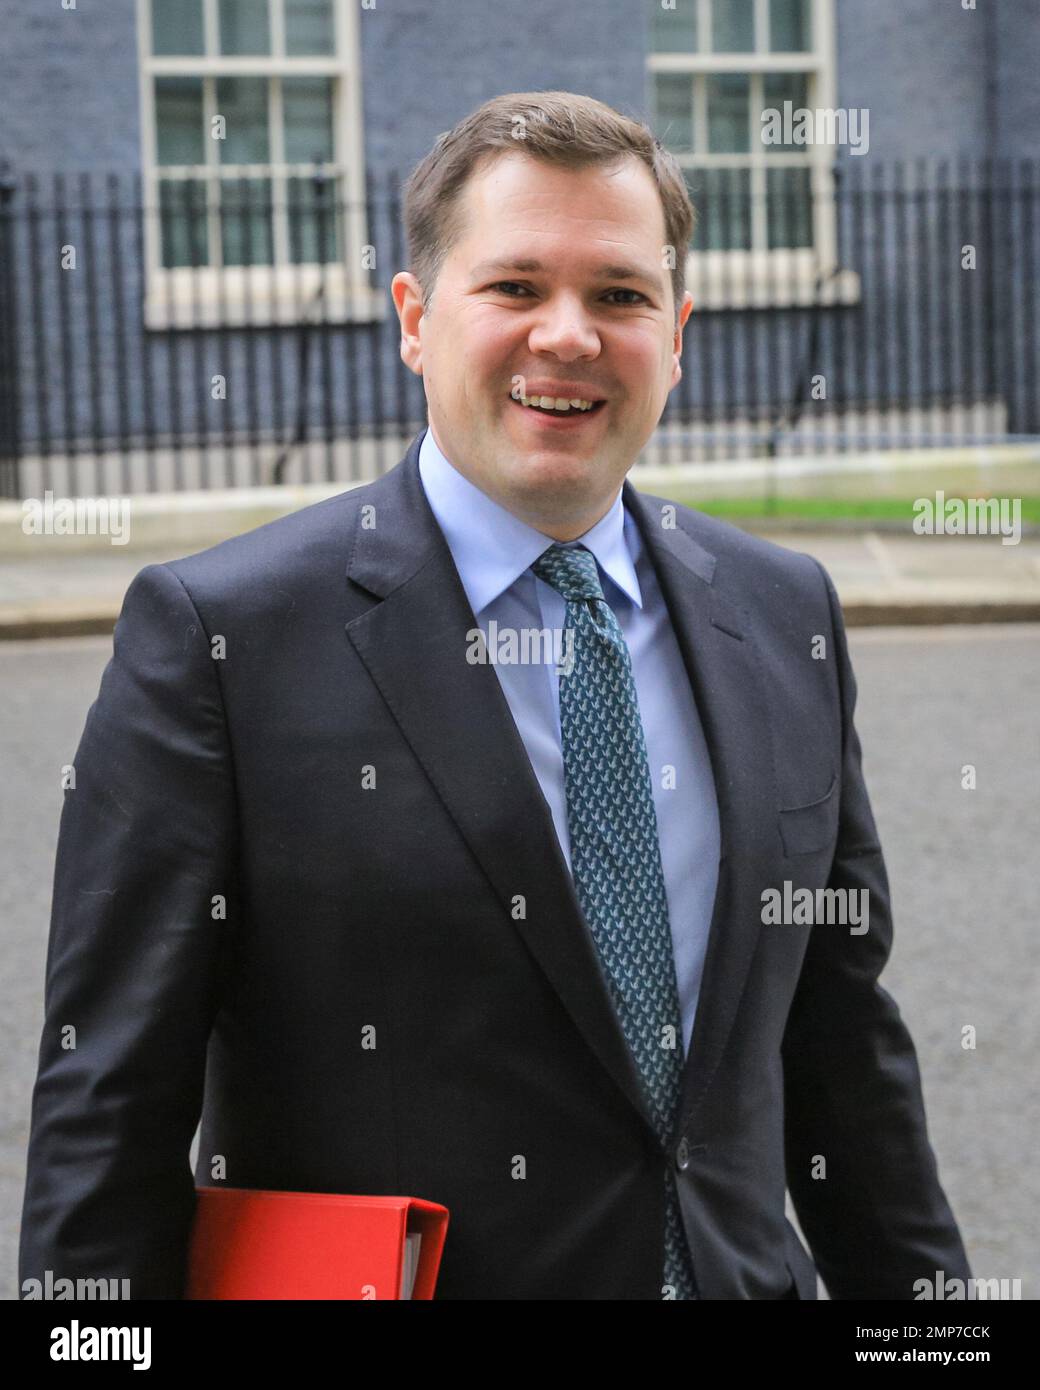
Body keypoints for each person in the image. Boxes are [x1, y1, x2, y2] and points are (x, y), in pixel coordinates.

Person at [19, 90, 971, 1300]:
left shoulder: (783, 615)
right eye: (515, 287)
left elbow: (842, 1051)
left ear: (675, 336)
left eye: (618, 295)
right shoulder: (219, 637)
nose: (567, 336)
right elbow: (106, 1099)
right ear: (414, 319)